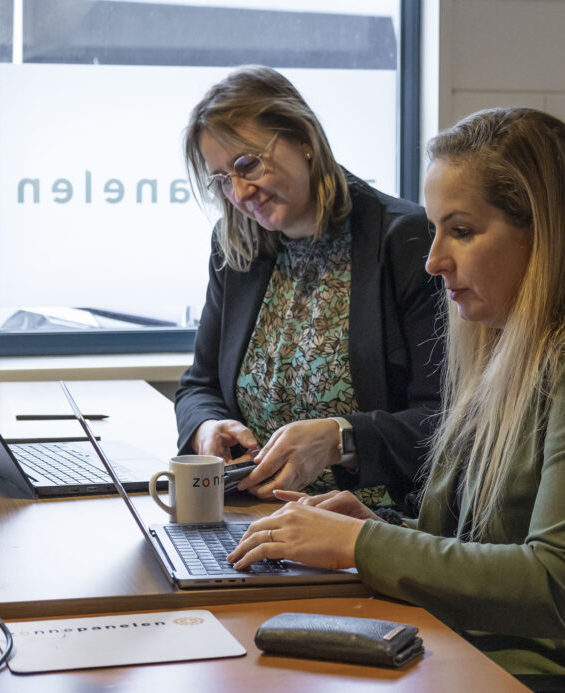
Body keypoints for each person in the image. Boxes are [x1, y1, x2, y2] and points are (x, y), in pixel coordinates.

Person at [227, 107, 565, 693]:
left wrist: (362, 544)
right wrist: (381, 530)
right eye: (435, 230)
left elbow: (558, 588)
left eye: (462, 231)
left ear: (543, 233)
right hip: (529, 656)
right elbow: (498, 542)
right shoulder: (516, 342)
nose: (433, 260)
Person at [176, 66, 442, 510]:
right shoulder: (235, 245)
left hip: (373, 520)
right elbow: (198, 386)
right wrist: (206, 428)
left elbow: (445, 419)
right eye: (221, 178)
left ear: (304, 139)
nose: (239, 193)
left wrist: (341, 438)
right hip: (256, 511)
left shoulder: (404, 239)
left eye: (247, 164)